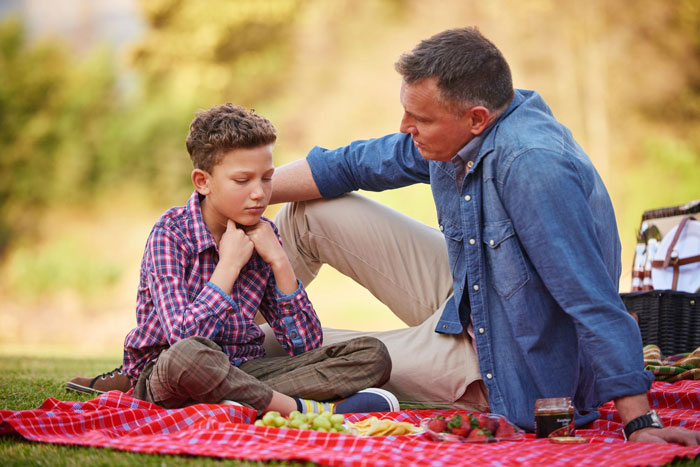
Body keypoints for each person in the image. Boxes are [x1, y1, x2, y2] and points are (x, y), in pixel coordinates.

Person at [262, 27, 700, 444]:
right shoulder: (463, 133)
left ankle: (215, 344)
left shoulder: (532, 168)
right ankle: (209, 313)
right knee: (312, 212)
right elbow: (349, 165)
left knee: (277, 348)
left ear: (476, 118)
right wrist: (231, 196)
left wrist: (640, 421)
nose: (403, 127)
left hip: (508, 367)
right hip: (471, 297)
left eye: (419, 118)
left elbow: (593, 301)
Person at [67, 103, 399, 416]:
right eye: (243, 180)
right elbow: (182, 339)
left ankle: (233, 401)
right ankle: (302, 409)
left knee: (372, 355)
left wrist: (280, 262)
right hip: (172, 371)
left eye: (267, 178)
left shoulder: (265, 235)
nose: (259, 193)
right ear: (203, 182)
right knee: (189, 357)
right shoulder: (170, 233)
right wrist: (228, 266)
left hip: (245, 370)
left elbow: (306, 345)